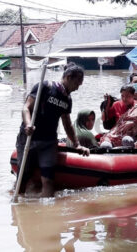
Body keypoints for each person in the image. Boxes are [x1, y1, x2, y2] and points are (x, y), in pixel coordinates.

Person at [15, 63, 90, 197]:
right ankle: (17, 208)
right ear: (68, 77)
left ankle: (46, 210)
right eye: (77, 83)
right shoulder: (45, 87)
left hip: (48, 142)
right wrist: (28, 125)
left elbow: (67, 123)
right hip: (29, 138)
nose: (77, 88)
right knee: (23, 178)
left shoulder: (67, 99)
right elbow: (26, 107)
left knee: (48, 181)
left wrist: (77, 145)